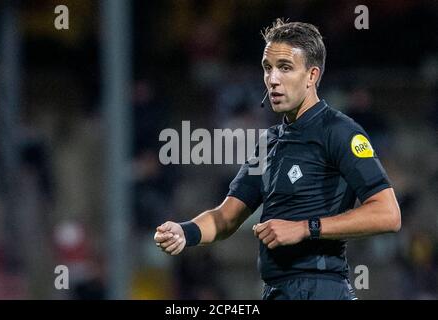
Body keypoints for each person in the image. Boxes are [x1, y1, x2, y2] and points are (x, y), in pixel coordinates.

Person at [154, 18, 401, 300]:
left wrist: (305, 228)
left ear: (311, 75)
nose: (272, 79)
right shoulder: (269, 142)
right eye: (267, 68)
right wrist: (185, 232)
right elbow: (227, 217)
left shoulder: (339, 131)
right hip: (277, 291)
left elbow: (388, 214)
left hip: (321, 290)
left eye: (285, 68)